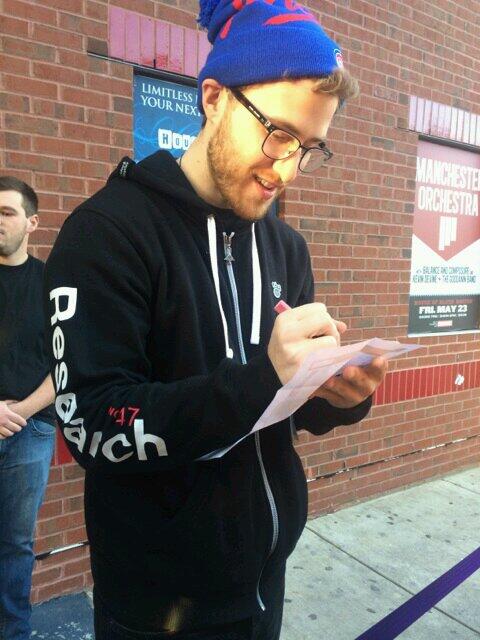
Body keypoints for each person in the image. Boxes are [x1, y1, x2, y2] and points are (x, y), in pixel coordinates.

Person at [44, 1, 387, 638]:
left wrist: (338, 395)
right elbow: (92, 426)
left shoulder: (285, 246)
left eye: (309, 148)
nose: (286, 168)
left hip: (264, 583)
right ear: (212, 98)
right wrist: (263, 377)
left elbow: (284, 411)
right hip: (158, 609)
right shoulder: (106, 234)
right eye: (278, 132)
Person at [0, 176, 56, 640]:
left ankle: (13, 631)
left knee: (16, 543)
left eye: (7, 212)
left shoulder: (50, 286)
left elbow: (68, 363)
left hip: (32, 432)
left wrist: (18, 412)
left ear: (31, 223)